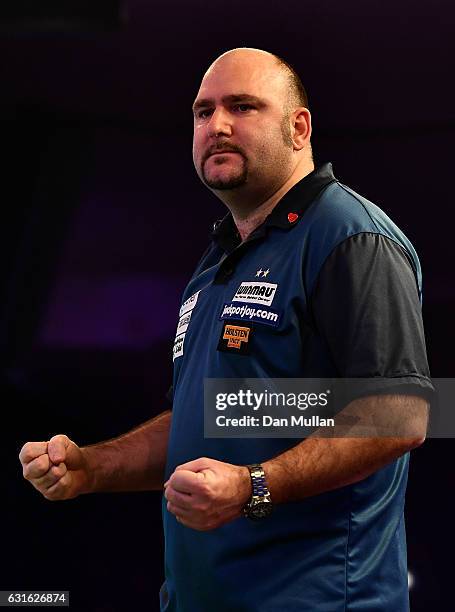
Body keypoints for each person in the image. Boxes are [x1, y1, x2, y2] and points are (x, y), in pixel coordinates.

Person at [19, 48, 433, 611]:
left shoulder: (350, 236)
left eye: (242, 106)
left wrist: (251, 486)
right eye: (202, 111)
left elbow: (400, 413)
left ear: (299, 128)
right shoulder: (216, 263)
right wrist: (91, 468)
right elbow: (208, 417)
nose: (217, 125)